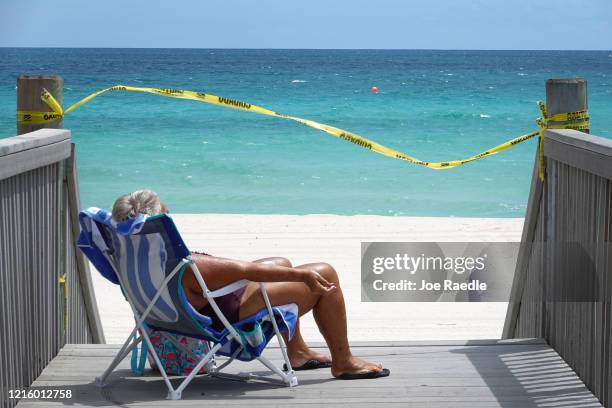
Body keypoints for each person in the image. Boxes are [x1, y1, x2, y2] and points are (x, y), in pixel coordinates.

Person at [112, 189, 390, 380]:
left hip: (192, 311)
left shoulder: (133, 259)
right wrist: (303, 277)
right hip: (227, 316)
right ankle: (344, 362)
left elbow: (232, 271)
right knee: (325, 273)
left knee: (280, 262)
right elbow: (242, 269)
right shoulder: (184, 265)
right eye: (166, 214)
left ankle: (298, 352)